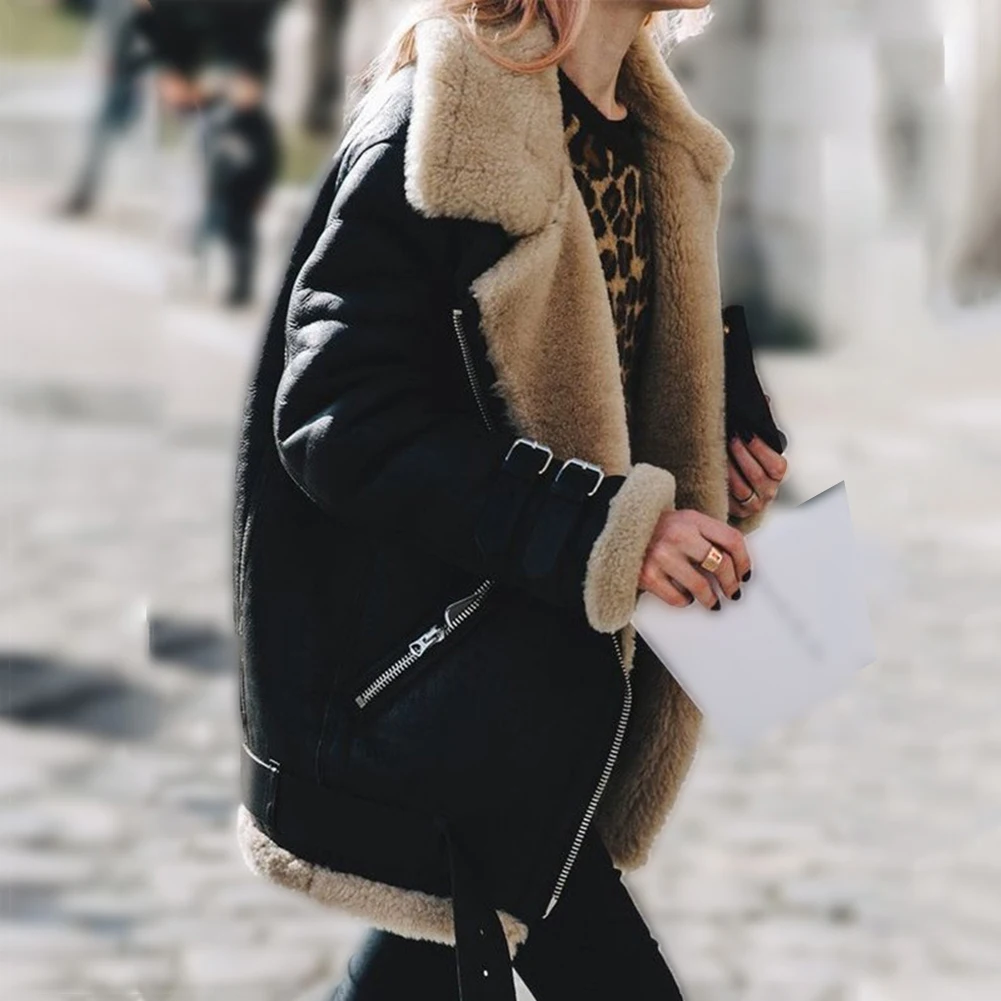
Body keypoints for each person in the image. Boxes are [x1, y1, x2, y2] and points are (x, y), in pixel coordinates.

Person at [232, 2, 790, 999]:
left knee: (428, 949)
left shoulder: (649, 142)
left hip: (529, 695)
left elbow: (585, 394)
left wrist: (711, 430)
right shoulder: (442, 128)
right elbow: (336, 418)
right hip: (437, 677)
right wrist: (603, 531)